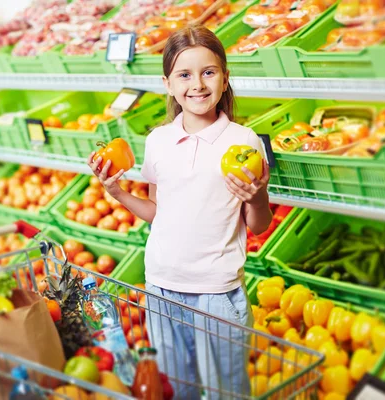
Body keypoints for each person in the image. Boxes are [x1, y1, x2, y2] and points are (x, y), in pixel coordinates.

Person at [87, 25, 272, 399]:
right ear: (168, 84)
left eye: (208, 72)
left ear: (224, 78)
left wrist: (257, 197)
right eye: (184, 75)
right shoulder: (158, 140)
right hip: (161, 285)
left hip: (215, 293)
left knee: (225, 392)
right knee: (177, 390)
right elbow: (158, 211)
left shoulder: (243, 141)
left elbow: (258, 225)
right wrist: (118, 192)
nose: (198, 85)